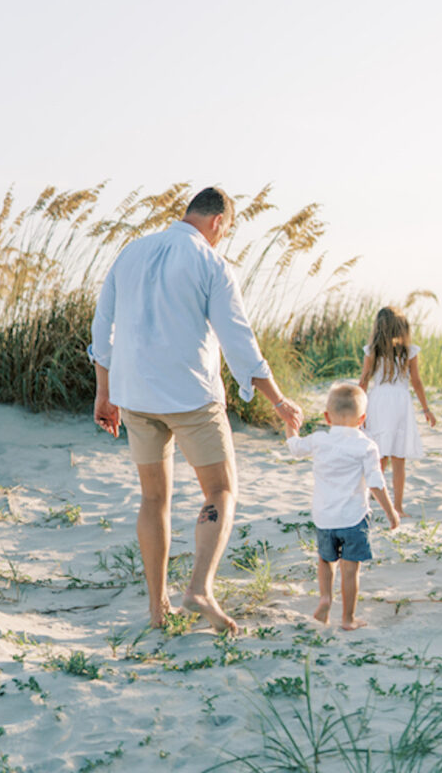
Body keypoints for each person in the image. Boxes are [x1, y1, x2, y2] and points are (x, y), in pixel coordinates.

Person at [90, 186, 303, 634]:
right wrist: (278, 401)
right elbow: (240, 342)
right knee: (221, 490)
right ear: (218, 223)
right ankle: (199, 587)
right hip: (190, 397)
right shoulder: (211, 263)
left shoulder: (131, 253)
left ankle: (156, 609)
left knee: (153, 498)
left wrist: (103, 391)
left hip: (134, 395)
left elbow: (102, 324)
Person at [285, 383, 400, 630]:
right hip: (354, 518)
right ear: (363, 419)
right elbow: (376, 483)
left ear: (327, 417)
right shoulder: (366, 446)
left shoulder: (318, 441)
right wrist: (391, 512)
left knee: (326, 561)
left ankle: (325, 598)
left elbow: (294, 447)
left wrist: (291, 426)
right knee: (350, 571)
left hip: (324, 518)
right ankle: (348, 619)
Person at [359, 306, 436, 516]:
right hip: (400, 403)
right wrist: (426, 409)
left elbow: (364, 382)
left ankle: (368, 504)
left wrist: (358, 411)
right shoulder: (409, 351)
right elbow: (417, 382)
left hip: (377, 402)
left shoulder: (371, 350)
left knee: (378, 457)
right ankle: (398, 507)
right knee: (398, 459)